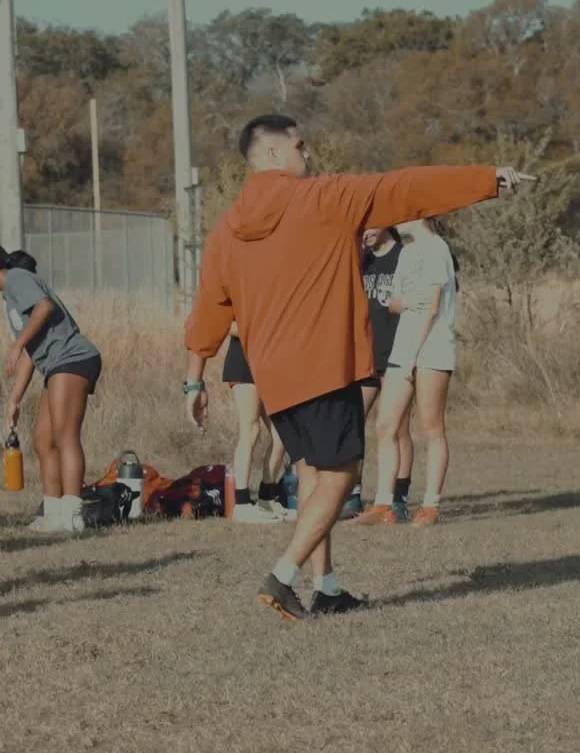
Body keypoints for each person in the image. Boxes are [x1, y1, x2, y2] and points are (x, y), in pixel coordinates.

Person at [183, 113, 533, 621]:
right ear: (275, 153)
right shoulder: (323, 197)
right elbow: (404, 189)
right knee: (341, 476)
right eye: (301, 145)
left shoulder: (227, 228)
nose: (309, 154)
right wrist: (486, 179)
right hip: (324, 364)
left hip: (273, 375)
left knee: (312, 474)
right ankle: (282, 576)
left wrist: (193, 379)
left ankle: (326, 588)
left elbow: (210, 306)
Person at [353, 218, 458, 527]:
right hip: (402, 349)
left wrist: (414, 354)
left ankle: (430, 506)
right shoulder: (407, 252)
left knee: (431, 428)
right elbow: (395, 303)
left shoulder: (437, 249)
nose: (397, 220)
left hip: (432, 349)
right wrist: (410, 301)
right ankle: (383, 504)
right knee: (385, 425)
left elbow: (432, 307)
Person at [1, 248, 102, 534]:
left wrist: (17, 343)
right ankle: (54, 512)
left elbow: (44, 306)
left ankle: (72, 515)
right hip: (55, 364)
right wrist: (14, 399)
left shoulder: (17, 277)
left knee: (64, 436)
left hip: (72, 357)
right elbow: (31, 352)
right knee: (43, 440)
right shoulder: (9, 294)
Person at [340, 226, 414, 522]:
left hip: (398, 354)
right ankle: (353, 494)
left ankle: (398, 499)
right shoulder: (362, 259)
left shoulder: (403, 257)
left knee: (398, 428)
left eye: (372, 225)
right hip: (366, 356)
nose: (366, 232)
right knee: (352, 420)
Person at [222, 322, 293, 522]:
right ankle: (242, 503)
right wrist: (266, 326)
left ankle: (267, 498)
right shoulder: (240, 299)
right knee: (251, 430)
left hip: (271, 362)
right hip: (244, 362)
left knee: (282, 435)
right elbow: (228, 326)